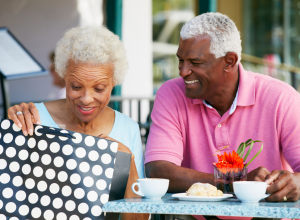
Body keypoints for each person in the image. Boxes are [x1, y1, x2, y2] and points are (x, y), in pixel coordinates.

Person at [145, 12, 300, 220]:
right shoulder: (171, 94)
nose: (183, 71)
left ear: (229, 61)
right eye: (180, 60)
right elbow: (158, 170)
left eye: (195, 62)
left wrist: (296, 182)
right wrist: (236, 182)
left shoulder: (281, 98)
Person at [8, 26, 147, 220]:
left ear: (114, 82)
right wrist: (10, 131)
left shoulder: (127, 128)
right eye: (76, 87)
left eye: (99, 88)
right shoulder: (32, 118)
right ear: (64, 76)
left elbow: (137, 218)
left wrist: (129, 166)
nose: (86, 99)